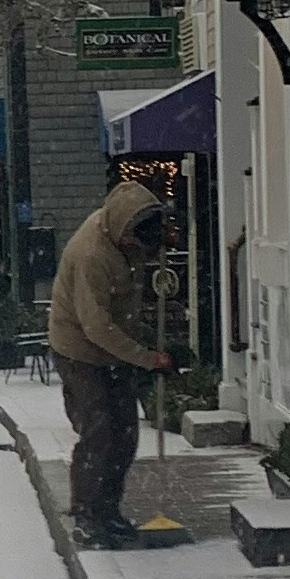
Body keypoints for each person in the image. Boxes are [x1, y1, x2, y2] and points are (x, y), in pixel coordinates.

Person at [46, 179, 172, 545]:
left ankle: (109, 510)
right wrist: (147, 358)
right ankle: (87, 515)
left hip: (113, 345)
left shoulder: (129, 238)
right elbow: (96, 327)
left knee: (125, 433)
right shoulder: (92, 255)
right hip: (79, 351)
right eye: (135, 242)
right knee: (99, 431)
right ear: (123, 230)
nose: (138, 249)